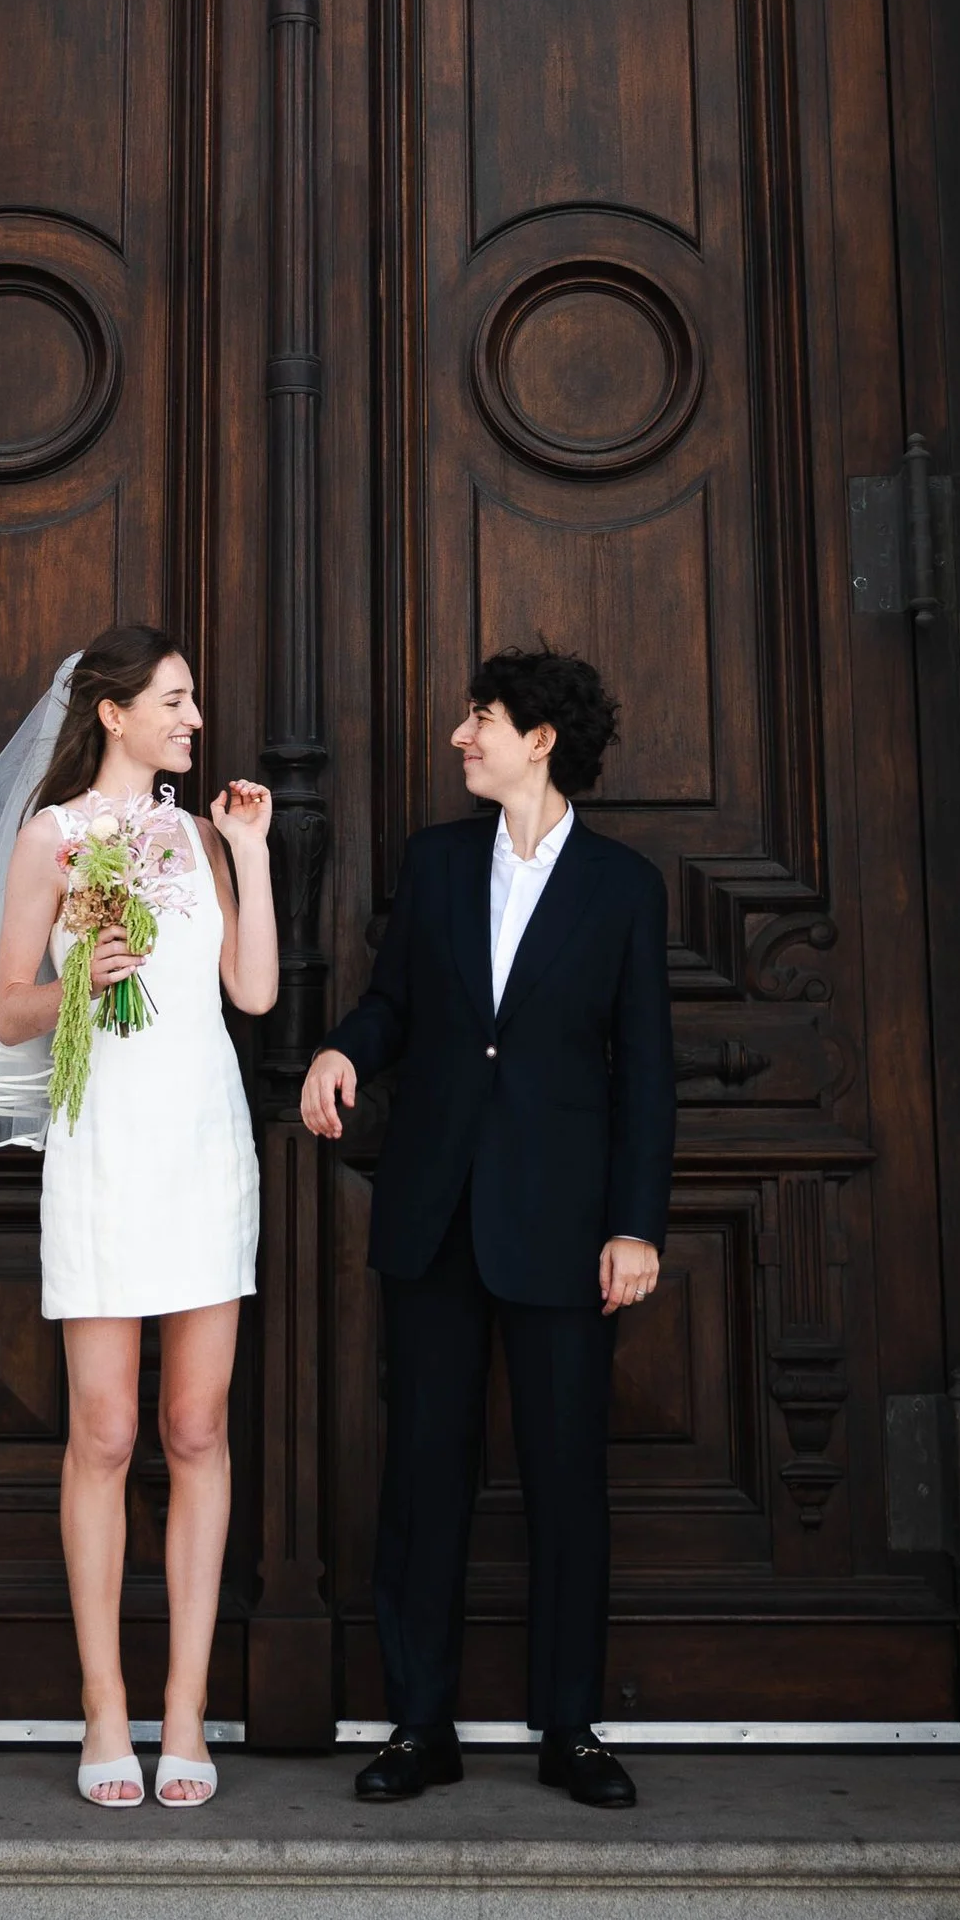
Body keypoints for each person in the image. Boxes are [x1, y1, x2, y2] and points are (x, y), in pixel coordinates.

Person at [0, 626, 275, 1813]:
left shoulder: (194, 833)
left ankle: (184, 1705)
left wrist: (249, 850)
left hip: (203, 1145)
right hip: (104, 1145)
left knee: (194, 1426)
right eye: (175, 698)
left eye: (192, 697)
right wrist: (83, 971)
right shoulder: (53, 836)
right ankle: (104, 1705)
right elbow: (10, 1010)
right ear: (115, 711)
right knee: (105, 1429)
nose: (194, 715)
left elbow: (254, 991)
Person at [301, 644, 674, 1810]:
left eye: (483, 717)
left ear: (541, 738)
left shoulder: (623, 887)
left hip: (564, 1229)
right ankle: (422, 1722)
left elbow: (645, 1074)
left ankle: (570, 1726)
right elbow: (395, 1002)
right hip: (434, 1214)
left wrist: (636, 1225)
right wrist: (343, 1048)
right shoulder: (436, 861)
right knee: (423, 1473)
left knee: (566, 1479)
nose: (463, 736)